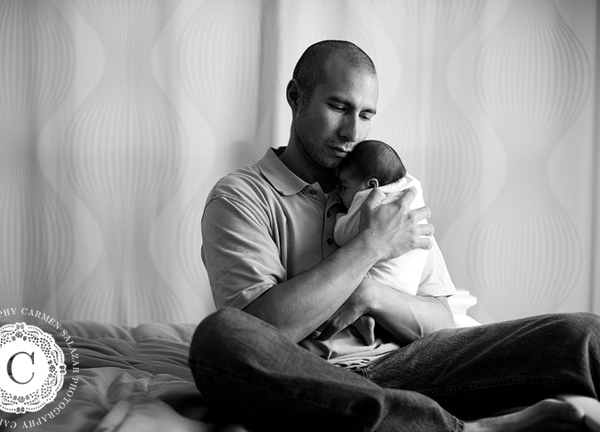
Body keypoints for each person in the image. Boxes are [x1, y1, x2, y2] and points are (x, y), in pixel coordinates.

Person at [191, 39, 599, 431]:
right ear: (296, 96)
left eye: (366, 115)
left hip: (414, 364)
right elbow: (260, 330)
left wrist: (371, 296)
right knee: (218, 339)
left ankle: (400, 416)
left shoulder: (389, 191)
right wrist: (371, 244)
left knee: (583, 332)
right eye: (338, 107)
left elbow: (443, 321)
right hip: (311, 377)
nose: (353, 132)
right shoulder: (240, 197)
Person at [334, 139, 428, 297]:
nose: (340, 193)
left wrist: (340, 217)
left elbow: (342, 235)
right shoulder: (409, 191)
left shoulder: (369, 197)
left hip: (380, 282)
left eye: (344, 186)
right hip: (407, 290)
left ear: (371, 185)